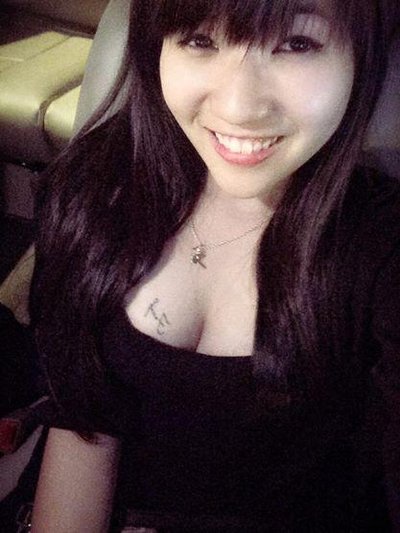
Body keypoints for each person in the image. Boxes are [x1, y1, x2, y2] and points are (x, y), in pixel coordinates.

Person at [29, 0, 399, 531]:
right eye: (198, 39)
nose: (239, 106)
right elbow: (84, 420)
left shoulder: (381, 248)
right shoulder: (93, 188)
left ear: (362, 58)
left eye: (296, 43)